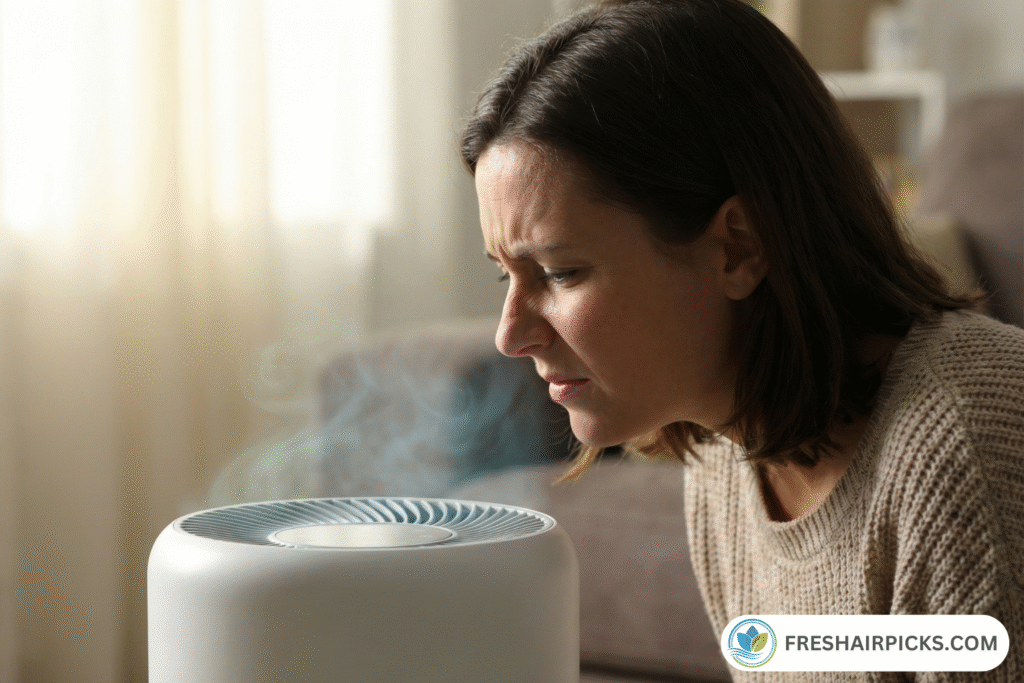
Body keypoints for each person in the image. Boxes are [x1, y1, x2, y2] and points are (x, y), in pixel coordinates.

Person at [460, 0, 1024, 680]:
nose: (510, 334)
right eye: (505, 277)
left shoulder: (967, 450)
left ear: (738, 245)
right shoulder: (723, 455)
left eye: (559, 271)